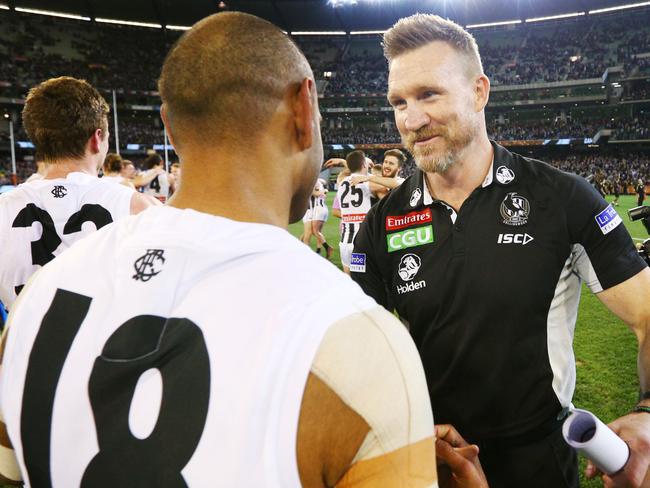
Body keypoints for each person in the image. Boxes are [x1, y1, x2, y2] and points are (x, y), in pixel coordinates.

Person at [0, 13, 487, 487]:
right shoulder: (353, 335)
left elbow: (10, 472)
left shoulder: (34, 304)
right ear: (303, 108)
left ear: (169, 128)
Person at [350, 13, 650, 488]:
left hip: (540, 463)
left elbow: (649, 312)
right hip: (436, 464)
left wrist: (648, 413)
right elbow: (357, 349)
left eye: (429, 94)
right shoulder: (382, 224)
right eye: (399, 102)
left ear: (479, 92)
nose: (411, 119)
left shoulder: (563, 198)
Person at [0, 76, 158, 311]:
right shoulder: (141, 208)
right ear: (96, 139)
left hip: (26, 345)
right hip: (110, 345)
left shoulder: (3, 208)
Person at [335, 150, 374, 274]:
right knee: (361, 283)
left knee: (348, 279)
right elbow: (389, 185)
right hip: (359, 242)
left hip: (345, 242)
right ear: (364, 165)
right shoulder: (367, 182)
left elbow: (352, 168)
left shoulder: (341, 183)